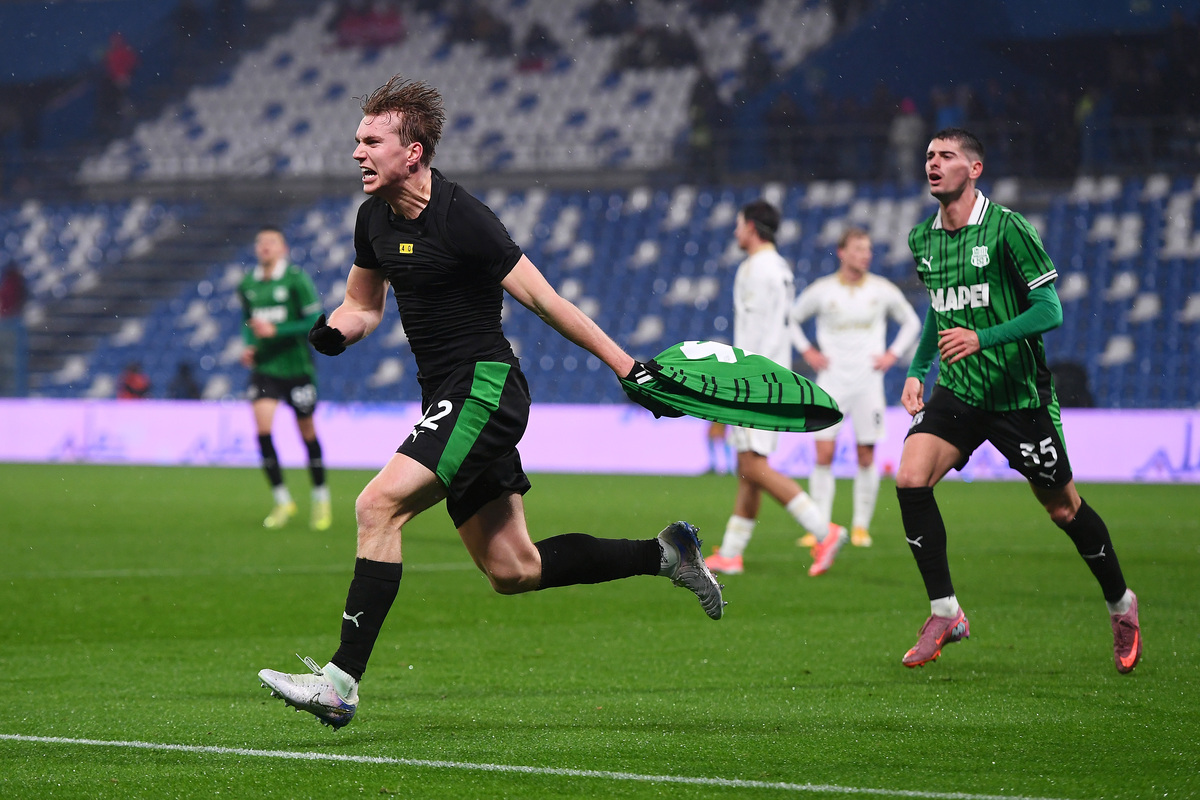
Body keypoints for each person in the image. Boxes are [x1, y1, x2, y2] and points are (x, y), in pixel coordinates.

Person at [257, 75, 724, 730]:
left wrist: (628, 367)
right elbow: (363, 305)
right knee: (513, 569)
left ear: (413, 151)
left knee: (376, 506)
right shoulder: (373, 219)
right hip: (445, 396)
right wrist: (335, 331)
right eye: (357, 141)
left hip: (484, 385)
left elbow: (546, 300)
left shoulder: (464, 218)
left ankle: (340, 681)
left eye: (371, 141)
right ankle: (666, 554)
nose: (357, 152)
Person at [896, 127, 1140, 673]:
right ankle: (946, 611)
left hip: (1018, 396)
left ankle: (1122, 605)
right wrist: (917, 370)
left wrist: (984, 337)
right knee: (911, 478)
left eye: (947, 156)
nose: (933, 163)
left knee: (1062, 508)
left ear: (974, 169)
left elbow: (1050, 310)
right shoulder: (922, 239)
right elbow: (940, 309)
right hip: (959, 390)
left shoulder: (1008, 229)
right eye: (929, 155)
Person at [702, 200, 848, 578]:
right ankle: (732, 553)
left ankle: (823, 530)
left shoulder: (755, 269)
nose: (735, 232)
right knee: (748, 468)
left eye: (738, 225)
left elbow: (754, 336)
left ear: (751, 227)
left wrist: (735, 385)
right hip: (772, 376)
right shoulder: (779, 267)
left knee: (754, 466)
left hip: (755, 380)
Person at [791, 227, 921, 549]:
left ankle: (860, 526)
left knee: (866, 454)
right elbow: (791, 319)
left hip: (867, 383)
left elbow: (912, 322)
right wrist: (807, 350)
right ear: (843, 252)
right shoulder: (822, 291)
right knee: (824, 453)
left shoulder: (881, 289)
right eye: (859, 249)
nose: (866, 255)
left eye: (868, 249)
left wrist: (893, 354)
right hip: (831, 381)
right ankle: (819, 526)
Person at [238, 226, 332, 532]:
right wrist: (250, 344)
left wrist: (277, 330)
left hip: (296, 368)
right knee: (262, 430)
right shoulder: (248, 283)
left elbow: (313, 321)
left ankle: (320, 496)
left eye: (271, 242)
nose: (265, 246)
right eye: (260, 241)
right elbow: (247, 321)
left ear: (283, 248)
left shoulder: (295, 279)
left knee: (306, 432)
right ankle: (282, 500)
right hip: (266, 368)